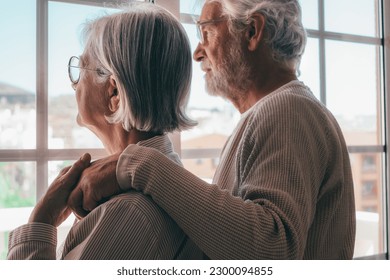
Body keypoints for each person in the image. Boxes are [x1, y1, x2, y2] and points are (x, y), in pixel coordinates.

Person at [68, 0, 356, 259]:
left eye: (206, 32)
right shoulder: (280, 111)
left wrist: (137, 163)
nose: (196, 53)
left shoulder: (288, 109)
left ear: (252, 32)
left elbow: (272, 249)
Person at [7, 2, 203, 260]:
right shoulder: (141, 190)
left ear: (114, 93)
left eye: (80, 70)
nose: (73, 85)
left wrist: (41, 222)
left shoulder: (129, 214)